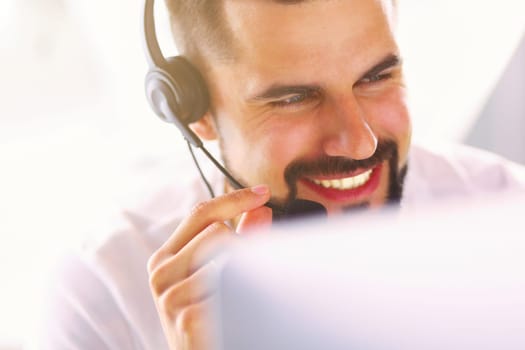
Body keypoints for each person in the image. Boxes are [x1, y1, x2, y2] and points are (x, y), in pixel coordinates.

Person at [36, 1, 525, 349]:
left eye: (376, 77)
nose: (360, 141)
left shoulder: (506, 215)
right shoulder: (105, 298)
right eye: (294, 99)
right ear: (195, 113)